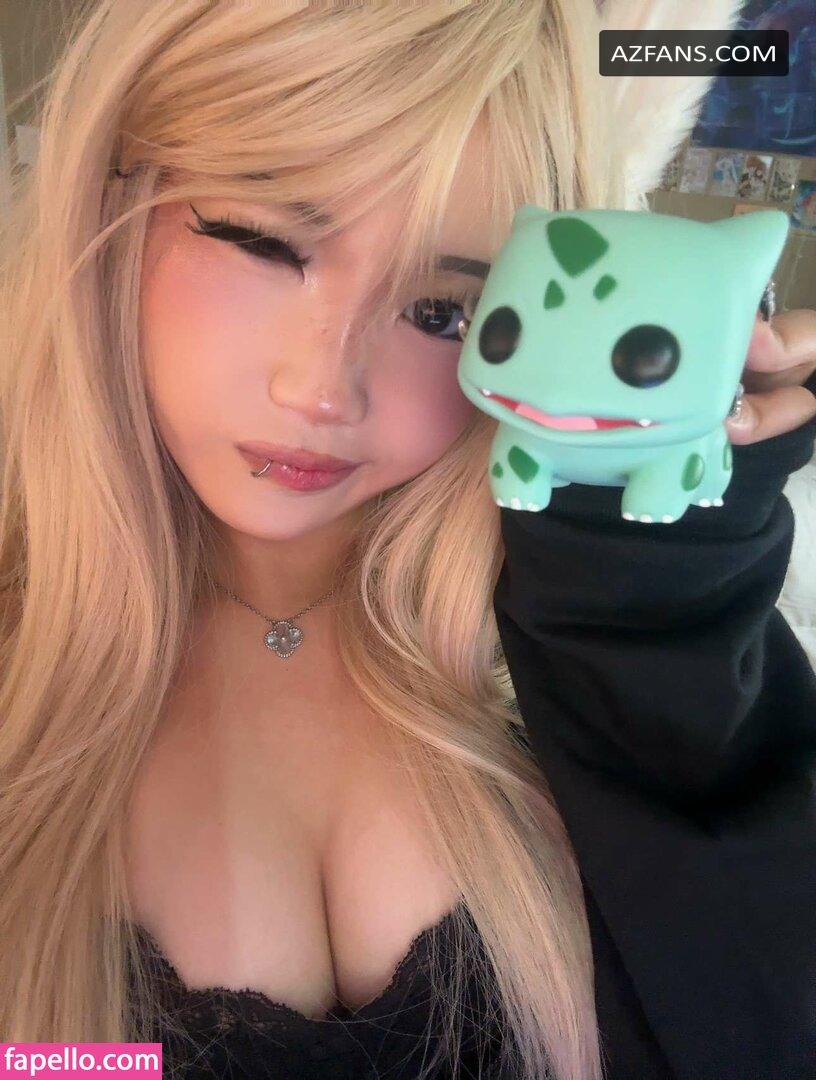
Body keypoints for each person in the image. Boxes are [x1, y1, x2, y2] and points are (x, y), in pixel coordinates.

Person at [1, 1, 814, 1078]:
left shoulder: (588, 638)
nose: (321, 388)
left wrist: (667, 603)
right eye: (263, 242)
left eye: (443, 313)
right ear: (112, 197)